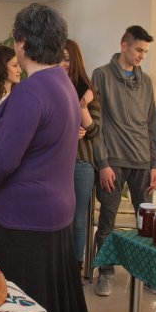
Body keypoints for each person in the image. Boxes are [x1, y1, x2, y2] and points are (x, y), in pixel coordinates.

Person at [0, 3, 91, 312]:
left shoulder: (32, 92)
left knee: (25, 303)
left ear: (21, 42)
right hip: (52, 208)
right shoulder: (61, 83)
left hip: (25, 214)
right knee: (45, 297)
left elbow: (3, 161)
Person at [91, 25, 156, 297]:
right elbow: (96, 124)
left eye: (145, 51)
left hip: (143, 162)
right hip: (114, 162)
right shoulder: (102, 76)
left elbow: (151, 124)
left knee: (148, 223)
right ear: (124, 46)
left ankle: (146, 273)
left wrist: (155, 163)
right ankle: (105, 272)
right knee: (107, 220)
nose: (142, 56)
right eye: (138, 50)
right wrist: (103, 162)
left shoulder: (147, 82)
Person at [59, 39, 100, 267]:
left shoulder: (88, 90)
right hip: (54, 163)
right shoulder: (50, 88)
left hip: (80, 163)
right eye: (58, 58)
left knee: (77, 220)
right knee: (56, 217)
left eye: (66, 58)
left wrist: (82, 106)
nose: (62, 63)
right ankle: (58, 264)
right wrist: (68, 129)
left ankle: (75, 266)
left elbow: (94, 130)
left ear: (75, 60)